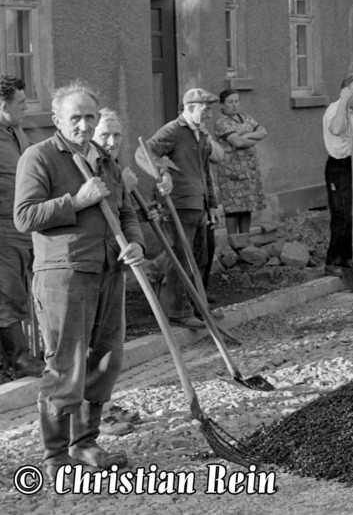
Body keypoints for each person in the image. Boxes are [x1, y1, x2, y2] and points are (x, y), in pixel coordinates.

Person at [14, 82, 144, 481]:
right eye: (76, 117)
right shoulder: (40, 157)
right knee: (65, 364)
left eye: (90, 116)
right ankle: (55, 457)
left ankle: (85, 443)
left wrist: (136, 242)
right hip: (64, 274)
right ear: (57, 120)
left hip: (110, 269)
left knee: (106, 360)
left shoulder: (104, 158)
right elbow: (25, 216)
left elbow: (125, 212)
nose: (85, 124)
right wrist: (77, 201)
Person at [138, 88, 223, 329]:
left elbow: (205, 170)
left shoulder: (200, 134)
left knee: (200, 257)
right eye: (205, 110)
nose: (208, 115)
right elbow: (143, 153)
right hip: (178, 204)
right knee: (182, 258)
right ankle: (178, 311)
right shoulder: (172, 131)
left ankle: (197, 306)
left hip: (199, 205)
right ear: (191, 107)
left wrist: (213, 203)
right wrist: (162, 173)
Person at [0, 76, 44, 380]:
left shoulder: (13, 131)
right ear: (4, 105)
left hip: (21, 223)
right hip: (2, 227)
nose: (25, 108)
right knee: (8, 294)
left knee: (20, 289)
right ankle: (18, 361)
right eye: (21, 103)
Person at [322, 74, 353, 276]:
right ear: (345, 92)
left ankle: (349, 257)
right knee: (343, 214)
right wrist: (343, 101)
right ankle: (333, 260)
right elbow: (336, 129)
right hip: (341, 167)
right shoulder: (336, 109)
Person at [214, 89, 267, 236]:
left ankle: (245, 241)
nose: (234, 105)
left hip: (249, 170)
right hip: (231, 172)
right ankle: (233, 242)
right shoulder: (221, 122)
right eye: (230, 102)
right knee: (233, 208)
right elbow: (237, 142)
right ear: (222, 104)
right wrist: (250, 138)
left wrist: (246, 135)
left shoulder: (245, 117)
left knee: (247, 206)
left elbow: (263, 132)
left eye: (236, 101)